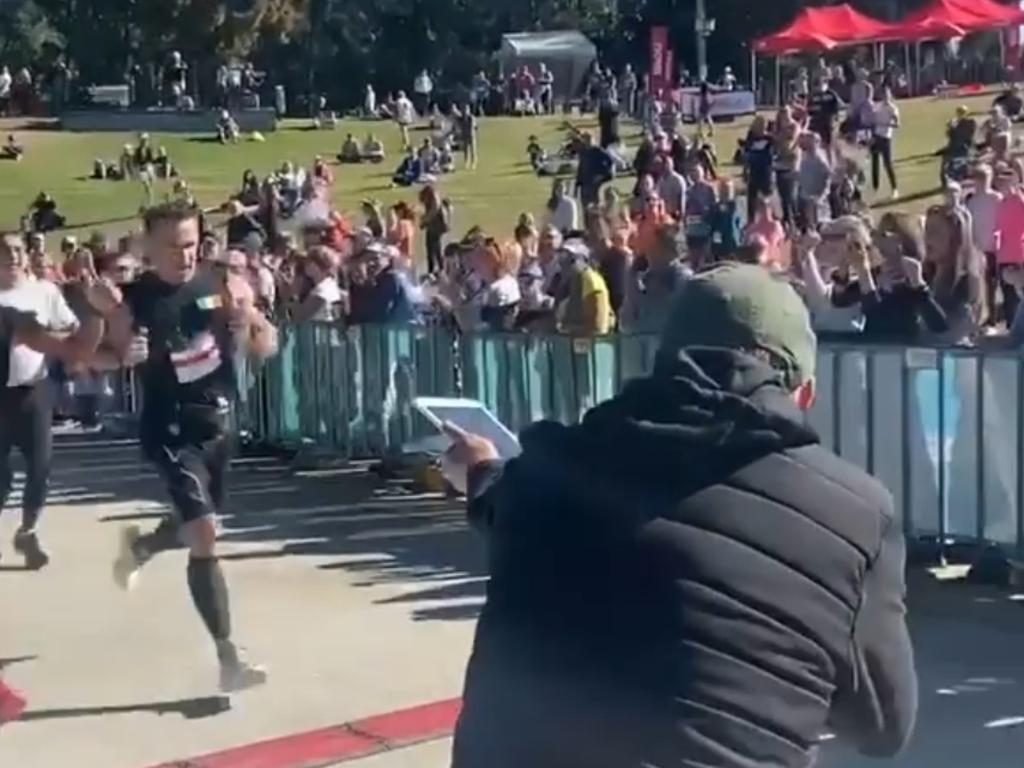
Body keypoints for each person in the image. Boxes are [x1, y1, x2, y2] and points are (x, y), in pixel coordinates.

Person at [447, 262, 917, 768]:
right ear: (804, 393)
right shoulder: (856, 516)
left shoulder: (546, 467)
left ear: (662, 362)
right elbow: (883, 726)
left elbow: (498, 495)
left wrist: (479, 466)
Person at [104, 201, 278, 693]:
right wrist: (121, 347)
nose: (183, 255)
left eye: (190, 244)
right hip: (170, 428)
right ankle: (229, 657)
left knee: (195, 526)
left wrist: (252, 320)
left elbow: (268, 346)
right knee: (203, 531)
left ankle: (141, 545)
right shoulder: (133, 299)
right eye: (171, 246)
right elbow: (109, 354)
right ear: (147, 249)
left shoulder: (217, 284)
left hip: (219, 426)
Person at [0, 233, 115, 568]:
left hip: (32, 389)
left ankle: (28, 530)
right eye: (6, 251)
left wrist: (55, 343)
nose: (14, 256)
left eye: (19, 250)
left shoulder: (44, 292)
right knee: (1, 476)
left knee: (41, 464)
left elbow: (70, 329)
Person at [966, 166, 1003, 325]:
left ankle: (994, 318)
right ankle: (980, 318)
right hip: (977, 249)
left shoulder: (997, 198)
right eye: (980, 179)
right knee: (980, 286)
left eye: (986, 178)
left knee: (995, 285)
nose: (983, 182)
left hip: (996, 248)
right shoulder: (971, 201)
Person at [558, 240, 615, 336]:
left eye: (570, 257)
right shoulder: (570, 282)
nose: (564, 261)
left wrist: (569, 331)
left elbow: (597, 327)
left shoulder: (590, 279)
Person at [773, 106, 801, 230]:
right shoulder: (777, 128)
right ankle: (786, 221)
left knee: (790, 195)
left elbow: (788, 146)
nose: (784, 117)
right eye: (782, 114)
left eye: (786, 114)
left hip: (791, 165)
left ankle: (794, 220)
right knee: (782, 196)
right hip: (779, 165)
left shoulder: (793, 127)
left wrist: (778, 139)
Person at [870, 87, 900, 200]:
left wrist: (888, 124)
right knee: (874, 163)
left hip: (886, 137)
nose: (885, 97)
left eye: (887, 95)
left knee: (887, 164)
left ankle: (894, 189)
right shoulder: (877, 106)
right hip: (876, 136)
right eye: (883, 95)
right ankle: (875, 188)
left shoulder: (893, 108)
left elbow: (897, 123)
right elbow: (872, 119)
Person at [807, 76, 843, 160]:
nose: (819, 86)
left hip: (827, 123)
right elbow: (809, 109)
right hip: (816, 124)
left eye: (821, 84)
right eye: (817, 84)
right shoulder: (813, 96)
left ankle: (831, 165)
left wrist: (835, 118)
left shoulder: (831, 94)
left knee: (828, 146)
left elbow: (837, 107)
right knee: (817, 145)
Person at [575, 133, 614, 208]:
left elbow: (611, 161)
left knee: (596, 206)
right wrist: (578, 181)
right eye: (585, 140)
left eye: (589, 140)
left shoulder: (599, 151)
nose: (587, 142)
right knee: (586, 207)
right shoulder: (584, 152)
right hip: (585, 183)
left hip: (595, 183)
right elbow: (581, 167)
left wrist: (608, 175)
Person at [420, 186, 450, 274]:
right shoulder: (432, 199)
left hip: (436, 227)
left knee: (434, 248)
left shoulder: (434, 198)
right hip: (434, 227)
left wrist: (424, 220)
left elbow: (434, 211)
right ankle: (438, 269)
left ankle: (436, 269)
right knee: (433, 248)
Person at [656, 155, 687, 220]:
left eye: (668, 164)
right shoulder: (660, 180)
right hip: (664, 215)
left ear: (672, 165)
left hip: (676, 214)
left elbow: (682, 197)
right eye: (664, 164)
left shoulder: (678, 179)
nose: (666, 166)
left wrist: (681, 214)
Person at [458, 105, 478, 170]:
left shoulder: (471, 118)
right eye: (464, 110)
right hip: (465, 135)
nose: (465, 111)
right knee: (466, 150)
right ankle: (466, 162)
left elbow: (473, 127)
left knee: (472, 150)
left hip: (471, 135)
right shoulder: (462, 118)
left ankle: (473, 162)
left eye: (466, 110)